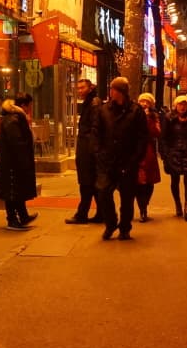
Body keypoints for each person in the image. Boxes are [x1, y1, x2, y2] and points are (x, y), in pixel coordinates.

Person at [92, 76, 148, 240]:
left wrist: (135, 159)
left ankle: (125, 227)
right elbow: (96, 134)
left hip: (127, 162)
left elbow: (142, 138)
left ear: (121, 92)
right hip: (107, 162)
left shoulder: (136, 111)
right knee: (103, 193)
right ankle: (110, 223)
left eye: (113, 89)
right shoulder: (103, 110)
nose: (110, 92)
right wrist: (98, 153)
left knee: (127, 198)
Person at [0, 93, 38, 230]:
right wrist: (24, 160)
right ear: (23, 105)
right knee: (12, 191)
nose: (30, 108)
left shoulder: (17, 118)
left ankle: (23, 215)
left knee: (18, 190)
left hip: (16, 162)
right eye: (30, 106)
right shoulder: (12, 120)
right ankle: (12, 220)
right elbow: (17, 143)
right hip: (12, 163)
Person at [160, 94, 187, 220]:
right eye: (180, 104)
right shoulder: (169, 119)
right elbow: (163, 138)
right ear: (175, 106)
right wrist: (165, 154)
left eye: (184, 104)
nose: (182, 107)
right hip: (173, 154)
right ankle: (178, 205)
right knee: (175, 181)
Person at [65, 77, 102, 224]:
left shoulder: (93, 104)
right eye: (78, 88)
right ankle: (100, 213)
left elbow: (94, 128)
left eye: (82, 88)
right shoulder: (90, 103)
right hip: (87, 149)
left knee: (87, 183)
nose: (80, 91)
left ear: (90, 88)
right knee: (90, 184)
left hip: (88, 151)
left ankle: (83, 214)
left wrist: (91, 148)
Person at [134, 93, 162, 222]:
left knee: (149, 182)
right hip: (135, 151)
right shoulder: (132, 114)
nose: (144, 103)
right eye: (142, 101)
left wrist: (148, 119)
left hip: (149, 151)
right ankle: (142, 208)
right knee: (138, 182)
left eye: (146, 102)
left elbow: (156, 133)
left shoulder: (154, 117)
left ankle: (145, 205)